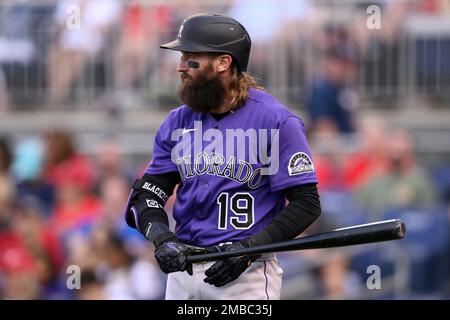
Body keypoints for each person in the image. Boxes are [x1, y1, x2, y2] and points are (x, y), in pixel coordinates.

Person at [124, 13, 321, 300]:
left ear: (223, 62)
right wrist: (162, 238)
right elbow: (146, 197)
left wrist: (249, 250)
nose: (180, 67)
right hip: (183, 271)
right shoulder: (178, 121)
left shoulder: (275, 121)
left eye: (191, 58)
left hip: (243, 277)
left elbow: (306, 204)